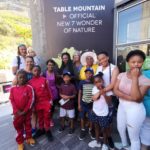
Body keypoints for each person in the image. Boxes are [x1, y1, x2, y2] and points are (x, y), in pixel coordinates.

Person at [114, 50, 150, 150]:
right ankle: (125, 145)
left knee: (133, 137)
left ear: (143, 62)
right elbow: (115, 90)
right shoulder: (121, 75)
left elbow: (138, 98)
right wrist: (130, 98)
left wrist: (135, 78)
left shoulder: (146, 80)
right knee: (120, 128)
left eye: (139, 61)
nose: (136, 64)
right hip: (122, 106)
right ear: (128, 62)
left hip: (135, 110)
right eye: (133, 62)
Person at [96, 51, 119, 149]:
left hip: (109, 96)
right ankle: (102, 134)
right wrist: (97, 92)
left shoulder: (114, 68)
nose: (102, 60)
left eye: (103, 58)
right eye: (100, 59)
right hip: (99, 96)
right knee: (100, 116)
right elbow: (96, 80)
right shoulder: (99, 67)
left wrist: (102, 91)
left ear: (108, 57)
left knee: (108, 120)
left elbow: (113, 84)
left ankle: (109, 137)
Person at [9, 70, 35, 150]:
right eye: (20, 77)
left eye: (24, 77)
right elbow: (11, 100)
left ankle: (29, 138)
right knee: (18, 128)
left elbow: (31, 99)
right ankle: (20, 142)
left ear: (26, 78)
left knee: (28, 126)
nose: (22, 79)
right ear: (17, 78)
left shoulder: (29, 88)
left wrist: (25, 110)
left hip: (27, 112)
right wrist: (17, 111)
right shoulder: (12, 89)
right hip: (17, 114)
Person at [28, 65, 53, 141]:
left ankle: (47, 130)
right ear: (32, 72)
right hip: (37, 103)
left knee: (47, 117)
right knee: (40, 117)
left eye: (38, 70)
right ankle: (41, 129)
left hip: (46, 102)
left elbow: (48, 90)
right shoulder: (30, 82)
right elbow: (30, 95)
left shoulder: (44, 79)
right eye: (34, 70)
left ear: (40, 71)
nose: (36, 72)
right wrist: (31, 105)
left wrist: (50, 100)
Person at [88, 72, 111, 150]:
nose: (98, 83)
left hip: (103, 113)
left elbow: (109, 103)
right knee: (96, 127)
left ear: (103, 81)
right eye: (96, 82)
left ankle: (104, 144)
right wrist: (99, 92)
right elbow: (94, 98)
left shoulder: (107, 89)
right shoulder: (94, 89)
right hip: (95, 112)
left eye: (99, 81)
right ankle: (97, 142)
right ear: (94, 83)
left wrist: (104, 93)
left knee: (104, 129)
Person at [78, 68, 95, 140]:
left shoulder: (94, 82)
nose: (88, 74)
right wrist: (79, 104)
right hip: (83, 103)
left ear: (92, 74)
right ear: (85, 74)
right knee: (82, 117)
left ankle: (91, 130)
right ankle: (82, 129)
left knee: (91, 118)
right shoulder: (81, 82)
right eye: (87, 73)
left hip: (91, 104)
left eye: (90, 73)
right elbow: (80, 93)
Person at [43, 59, 59, 126]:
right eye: (49, 65)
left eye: (52, 65)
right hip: (46, 92)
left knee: (52, 107)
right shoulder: (44, 73)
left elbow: (57, 83)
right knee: (47, 107)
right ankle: (47, 119)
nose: (51, 66)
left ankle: (50, 119)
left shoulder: (55, 73)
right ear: (47, 65)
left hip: (54, 92)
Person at [140, 70, 150, 150]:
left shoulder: (146, 74)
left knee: (146, 127)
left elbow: (139, 94)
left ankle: (144, 147)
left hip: (147, 106)